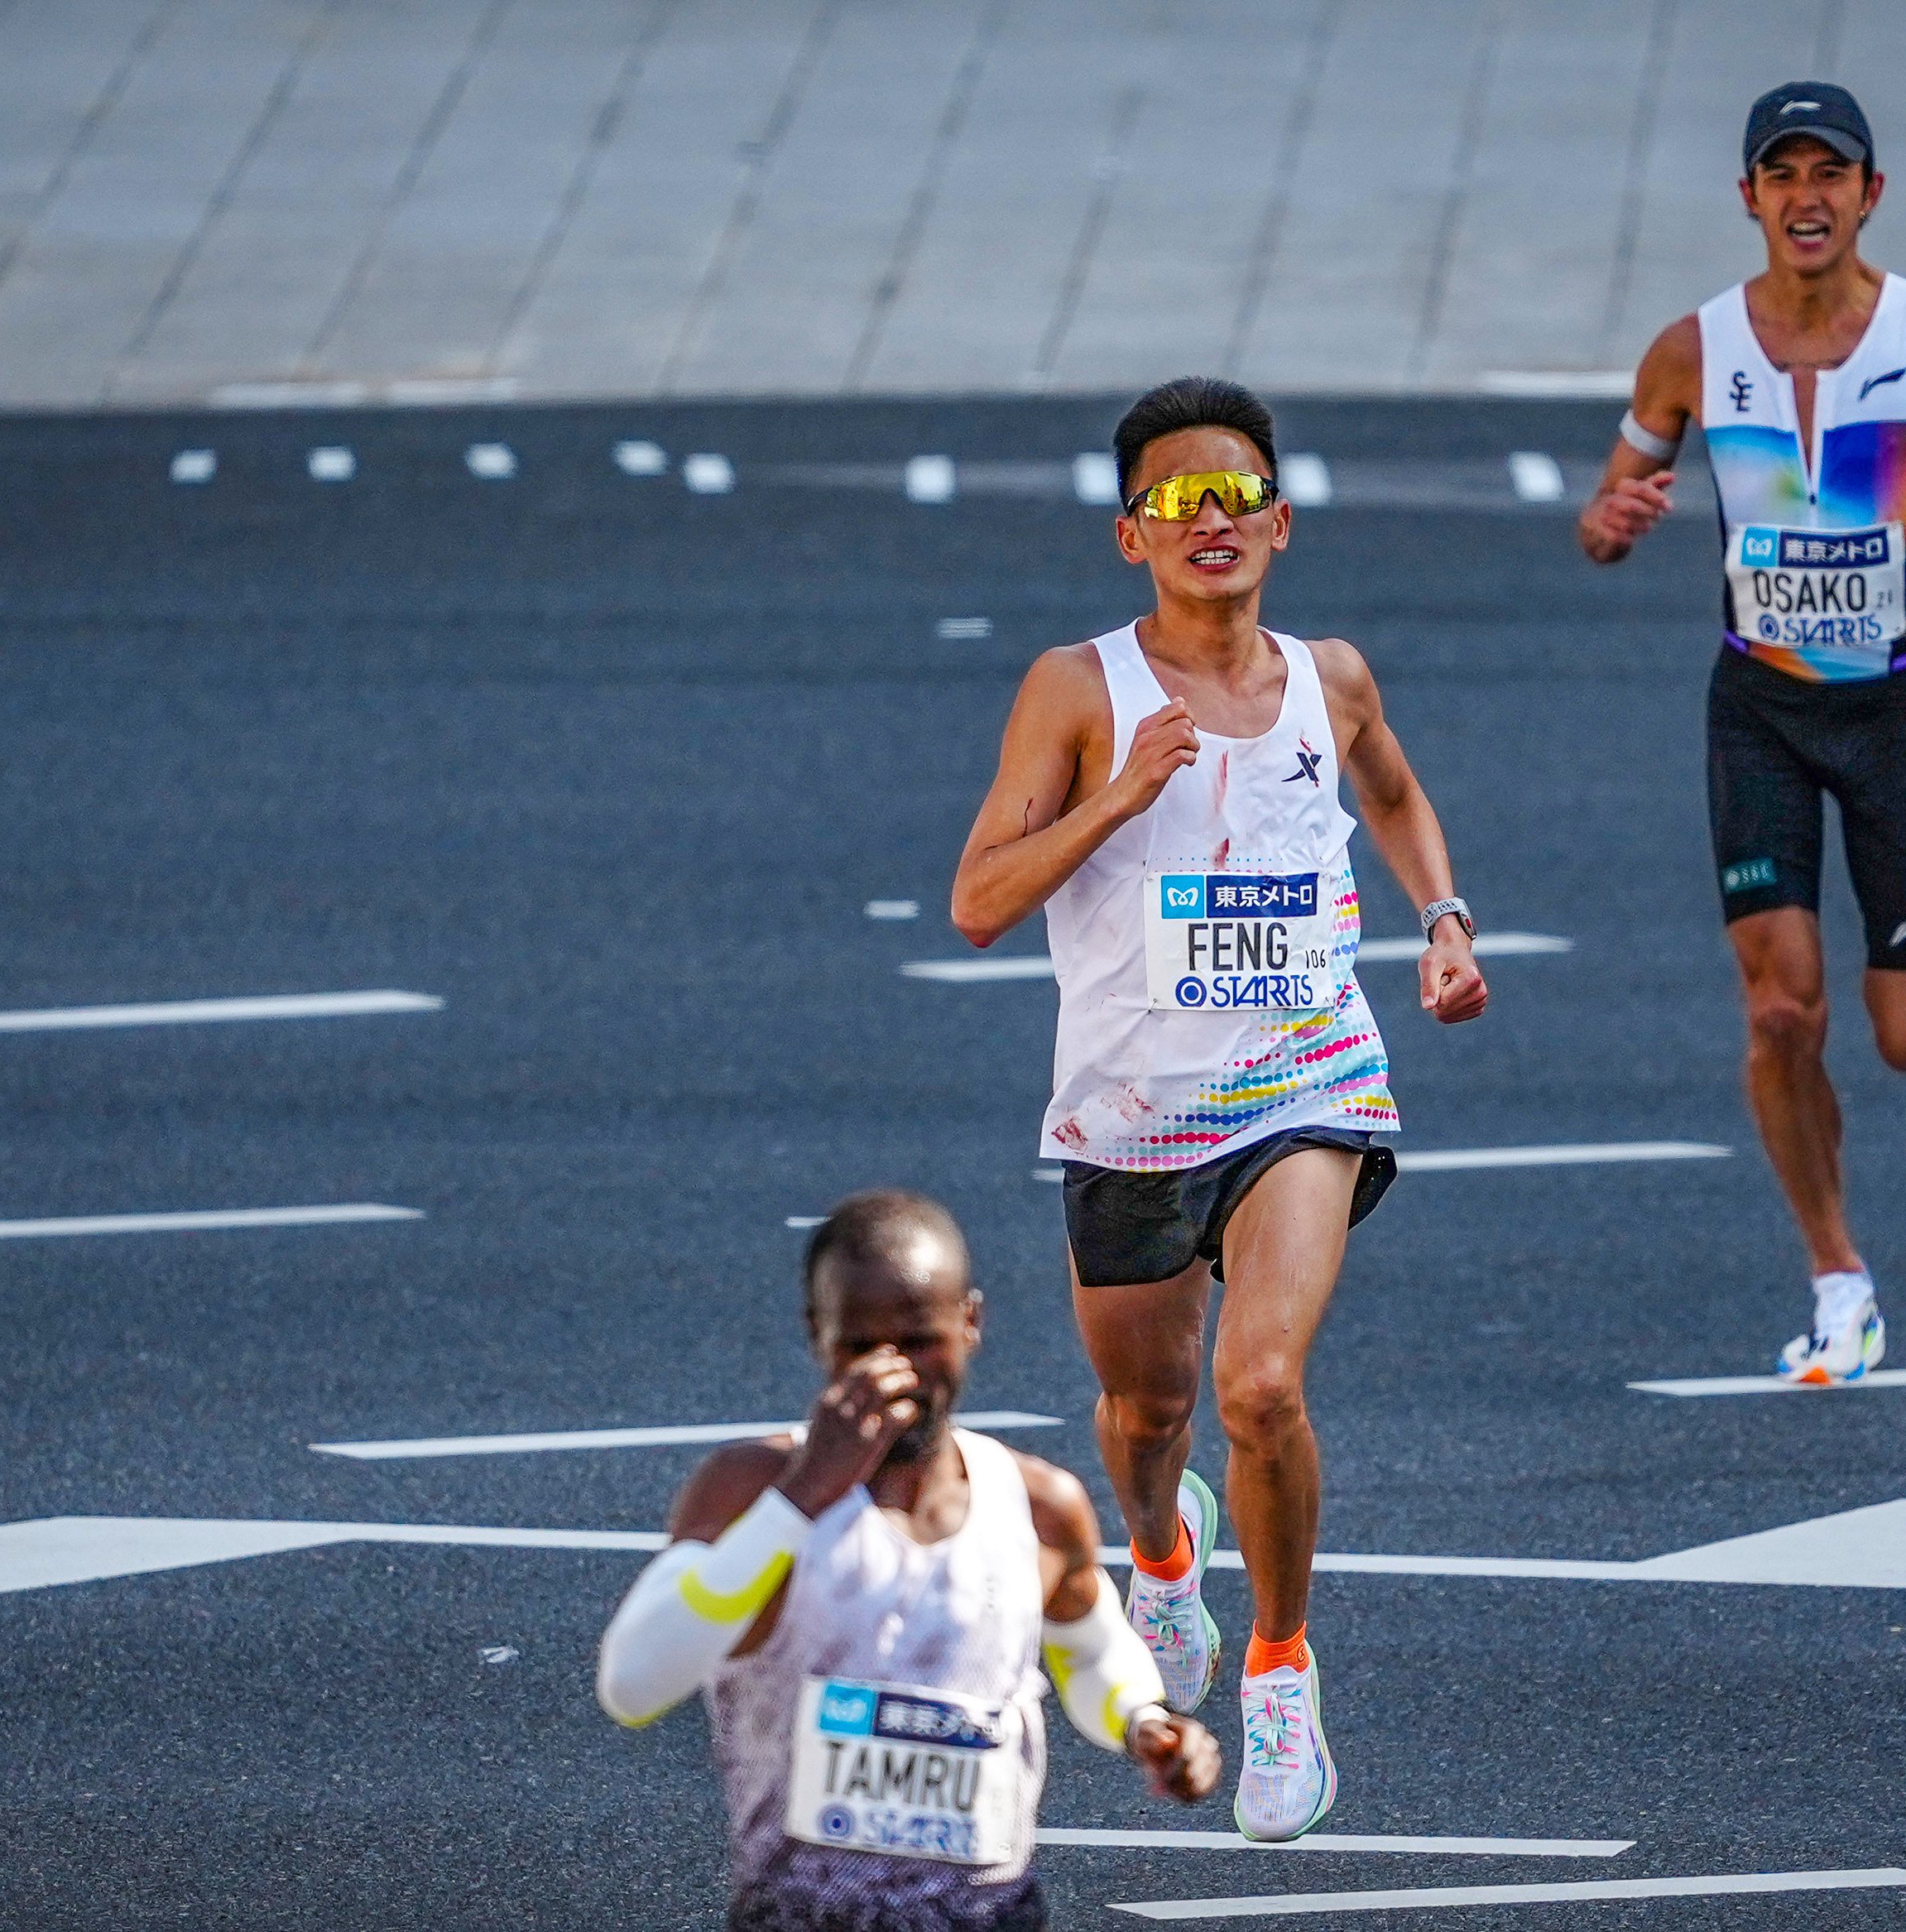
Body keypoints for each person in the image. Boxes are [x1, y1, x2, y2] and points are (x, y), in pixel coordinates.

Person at [948, 377, 1489, 1839]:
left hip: (1306, 1074)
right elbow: (980, 899)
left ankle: (1281, 1669)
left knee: (1256, 1385)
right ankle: (1162, 1553)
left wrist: (1441, 915)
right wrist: (1119, 798)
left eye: (1236, 493)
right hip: (1127, 1108)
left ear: (1282, 520)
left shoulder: (1333, 675)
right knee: (1148, 1409)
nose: (1213, 519)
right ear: (1133, 535)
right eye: (1179, 501)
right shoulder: (1078, 689)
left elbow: (1394, 793)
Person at [1576, 82, 1906, 1385]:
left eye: (1828, 174)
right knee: (1784, 1008)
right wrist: (1612, 526)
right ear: (1749, 198)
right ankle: (1839, 1276)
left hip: (1896, 710)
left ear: (1869, 193)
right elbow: (1610, 497)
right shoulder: (1692, 348)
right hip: (1761, 714)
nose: (1805, 196)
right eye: (1780, 175)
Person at [595, 1190, 1220, 1932]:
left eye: (921, 1340)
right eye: (860, 1346)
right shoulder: (749, 1493)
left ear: (971, 1323)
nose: (895, 1373)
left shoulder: (1037, 1505)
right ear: (817, 1336)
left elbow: (1088, 1653)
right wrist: (802, 1497)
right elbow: (632, 1685)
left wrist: (1143, 1721)